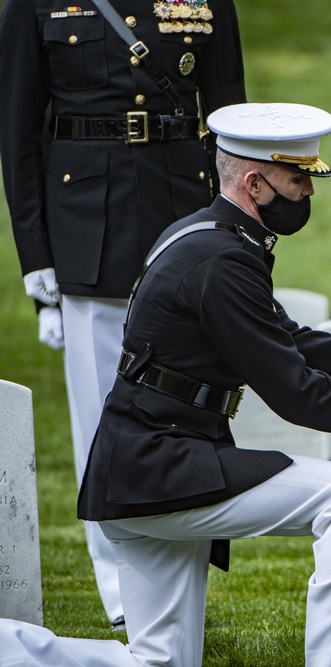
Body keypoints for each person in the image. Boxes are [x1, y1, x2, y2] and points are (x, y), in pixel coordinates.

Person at [0, 102, 331, 667]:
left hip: (142, 470)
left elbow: (288, 340)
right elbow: (295, 391)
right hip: (162, 471)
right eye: (298, 178)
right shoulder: (222, 260)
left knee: (158, 663)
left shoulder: (212, 237)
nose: (309, 191)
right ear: (255, 182)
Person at [0, 0, 247, 627]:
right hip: (87, 221)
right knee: (100, 421)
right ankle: (120, 597)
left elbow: (230, 119)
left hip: (182, 216)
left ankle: (179, 576)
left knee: (189, 409)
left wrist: (236, 237)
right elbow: (19, 131)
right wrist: (36, 256)